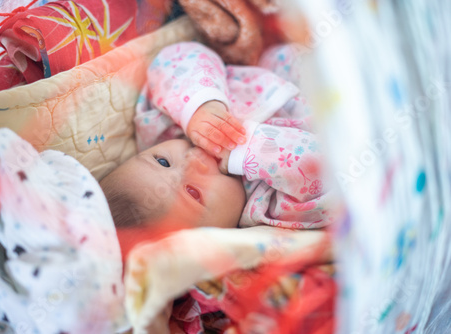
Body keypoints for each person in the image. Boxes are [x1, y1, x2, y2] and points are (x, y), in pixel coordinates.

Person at [100, 41, 334, 238]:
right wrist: (246, 150)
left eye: (162, 161)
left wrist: (200, 105)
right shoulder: (268, 207)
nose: (193, 161)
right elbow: (328, 173)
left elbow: (175, 58)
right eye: (193, 192)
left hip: (292, 54)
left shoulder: (166, 127)